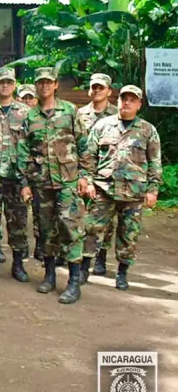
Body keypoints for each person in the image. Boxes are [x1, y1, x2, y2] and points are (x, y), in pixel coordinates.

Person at [18, 67, 88, 304]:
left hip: (67, 181)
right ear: (36, 86)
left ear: (56, 85)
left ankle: (74, 281)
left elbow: (84, 145)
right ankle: (49, 275)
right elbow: (24, 152)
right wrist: (25, 183)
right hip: (41, 183)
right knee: (45, 230)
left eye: (48, 82)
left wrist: (84, 176)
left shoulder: (69, 111)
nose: (44, 86)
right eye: (40, 83)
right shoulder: (31, 116)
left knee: (71, 229)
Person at [81, 85, 162, 290]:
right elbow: (89, 156)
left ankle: (122, 273)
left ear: (139, 104)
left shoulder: (147, 130)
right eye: (124, 98)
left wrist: (153, 190)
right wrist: (88, 181)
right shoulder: (103, 126)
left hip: (133, 193)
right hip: (103, 189)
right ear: (118, 101)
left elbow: (154, 162)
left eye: (132, 100)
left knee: (129, 235)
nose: (126, 102)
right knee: (92, 229)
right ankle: (83, 270)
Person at [0, 67, 30, 282]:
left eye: (9, 82)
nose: (5, 86)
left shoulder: (26, 112)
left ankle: (18, 264)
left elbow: (31, 143)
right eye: (1, 82)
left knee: (18, 222)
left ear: (14, 85)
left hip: (17, 176)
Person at [77, 73, 119, 276]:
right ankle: (78, 255)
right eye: (94, 87)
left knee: (106, 221)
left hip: (107, 177)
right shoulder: (80, 114)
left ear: (109, 91)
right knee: (81, 216)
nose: (96, 91)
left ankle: (100, 257)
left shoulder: (116, 114)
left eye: (101, 88)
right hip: (84, 172)